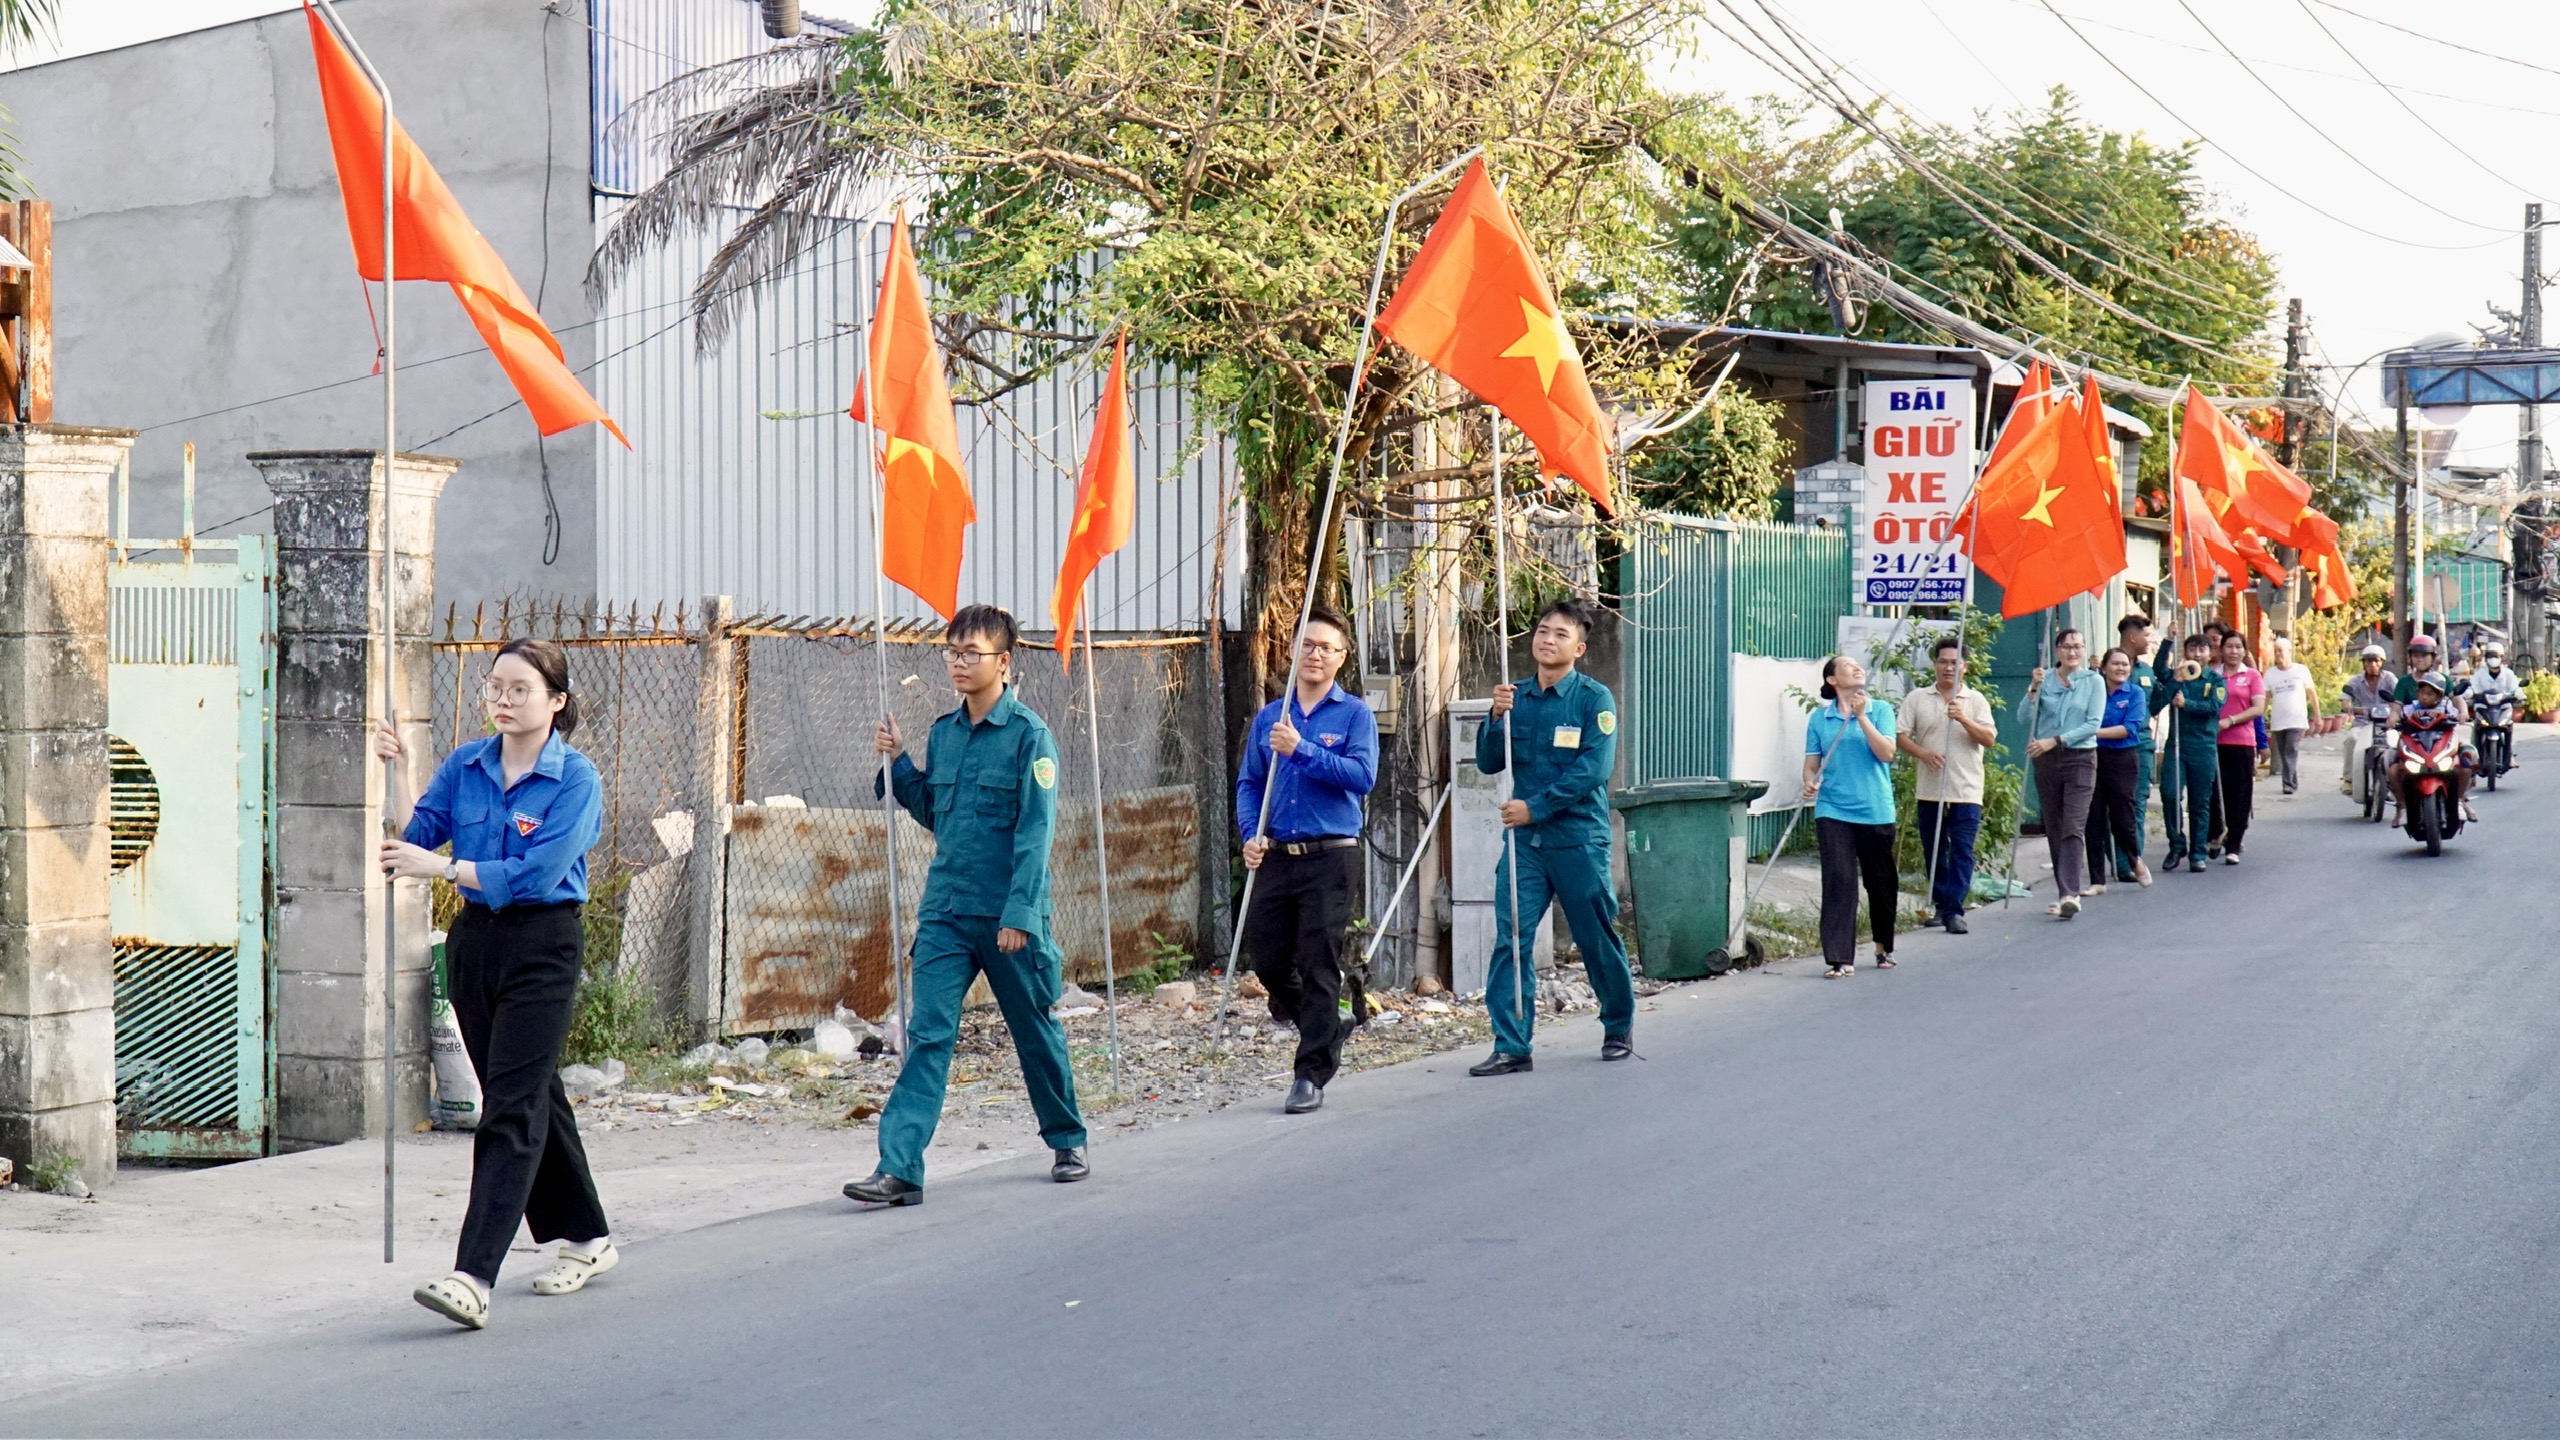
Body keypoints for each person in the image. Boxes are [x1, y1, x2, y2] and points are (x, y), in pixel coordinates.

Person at [376, 638, 610, 1331]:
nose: (503, 700)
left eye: (520, 690)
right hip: (477, 944)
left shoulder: (576, 781)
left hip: (544, 941)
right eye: (495, 688)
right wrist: (396, 772)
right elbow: (414, 837)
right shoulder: (466, 766)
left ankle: (474, 1274)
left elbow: (534, 874)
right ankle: (591, 1237)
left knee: (508, 1107)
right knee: (534, 1091)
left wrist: (443, 870)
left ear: (556, 702)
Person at [845, 606, 1089, 1207]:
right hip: (947, 913)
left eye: (971, 652)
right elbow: (936, 811)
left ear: (1003, 663)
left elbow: (1036, 833)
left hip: (1008, 916)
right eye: (952, 651)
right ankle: (898, 1168)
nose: (958, 661)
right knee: (928, 1034)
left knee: (1033, 1028)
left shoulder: (1031, 737)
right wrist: (899, 761)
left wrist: (1020, 916)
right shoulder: (945, 733)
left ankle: (1067, 1138)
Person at [1469, 599, 1632, 1074]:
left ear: (1578, 648)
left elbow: (1593, 770)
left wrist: (1533, 807)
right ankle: (1512, 1045)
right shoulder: (1514, 695)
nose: (1547, 639)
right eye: (1543, 631)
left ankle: (1618, 1024)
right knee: (1512, 938)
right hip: (1526, 847)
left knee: (1595, 936)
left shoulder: (1593, 700)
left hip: (1578, 839)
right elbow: (1488, 762)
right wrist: (1495, 718)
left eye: (1561, 634)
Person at [1233, 604, 1379, 1108]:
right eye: (1307, 645)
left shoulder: (1354, 714)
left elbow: (1362, 778)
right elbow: (1250, 783)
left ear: (1342, 657)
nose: (1315, 654)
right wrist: (1251, 833)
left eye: (1327, 648)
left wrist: (1303, 750)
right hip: (1277, 854)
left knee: (1319, 962)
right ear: (1293, 650)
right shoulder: (1271, 717)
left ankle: (1310, 1074)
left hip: (1330, 856)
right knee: (1269, 959)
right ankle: (1329, 1024)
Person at [1801, 655, 1898, 977]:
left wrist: (1862, 718)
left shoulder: (1880, 710)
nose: (1857, 668)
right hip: (1833, 808)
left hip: (1874, 808)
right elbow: (1812, 763)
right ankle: (1840, 957)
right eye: (1847, 666)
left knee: (1880, 883)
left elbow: (1886, 753)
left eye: (1859, 665)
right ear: (1832, 680)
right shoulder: (1820, 719)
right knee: (1839, 881)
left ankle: (1883, 946)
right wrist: (1809, 782)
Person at [1899, 635, 1997, 934]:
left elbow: (1989, 739)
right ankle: (1942, 905)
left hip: (1966, 789)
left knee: (1962, 849)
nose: (1948, 668)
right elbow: (1901, 735)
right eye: (1943, 662)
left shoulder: (1975, 700)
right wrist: (1923, 754)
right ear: (1934, 664)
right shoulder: (1917, 698)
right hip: (1930, 789)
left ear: (1964, 667)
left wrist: (1964, 719)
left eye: (1955, 663)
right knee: (1934, 848)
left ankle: (1955, 908)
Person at [2026, 629, 2105, 919]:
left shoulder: (2093, 681)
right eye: (2067, 647)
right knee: (2055, 825)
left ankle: (2071, 892)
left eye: (2078, 647)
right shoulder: (2043, 678)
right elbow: (2025, 717)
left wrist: (2056, 739)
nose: (2072, 652)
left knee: (2073, 824)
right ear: (2057, 650)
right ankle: (2063, 893)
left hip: (2081, 758)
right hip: (2046, 760)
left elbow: (2092, 724)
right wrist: (2033, 690)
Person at [2086, 647, 2152, 890]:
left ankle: (2134, 860)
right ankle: (2097, 880)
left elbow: (2129, 728)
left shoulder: (2135, 693)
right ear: (2104, 668)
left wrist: (2091, 732)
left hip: (2123, 758)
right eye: (2115, 664)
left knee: (2122, 817)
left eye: (2125, 664)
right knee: (2093, 818)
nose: (2121, 668)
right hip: (2093, 756)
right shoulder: (2094, 691)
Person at [2163, 632, 2226, 874]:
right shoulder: (2179, 676)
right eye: (2192, 650)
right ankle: (2176, 844)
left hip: (2203, 747)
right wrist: (2168, 640)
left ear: (2210, 655)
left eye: (2202, 650)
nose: (2196, 655)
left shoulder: (2216, 681)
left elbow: (2213, 708)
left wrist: (2187, 704)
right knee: (2169, 794)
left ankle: (2197, 852)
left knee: (2200, 803)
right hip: (2177, 745)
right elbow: (2160, 670)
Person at [2115, 613, 2163, 884]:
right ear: (2133, 637)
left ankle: (2134, 860)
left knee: (2138, 802)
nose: (2149, 640)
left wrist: (2174, 685)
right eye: (2146, 635)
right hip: (2112, 744)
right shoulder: (2109, 665)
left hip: (2142, 742)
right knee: (2117, 804)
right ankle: (2119, 861)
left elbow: (2154, 705)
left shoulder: (2146, 671)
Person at [2213, 632, 2267, 863]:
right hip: (2215, 742)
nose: (2233, 652)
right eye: (2229, 647)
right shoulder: (2213, 676)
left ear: (2245, 651)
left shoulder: (2252, 676)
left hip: (2242, 741)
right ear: (2221, 650)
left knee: (2241, 794)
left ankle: (2234, 843)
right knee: (2216, 793)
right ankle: (2216, 834)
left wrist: (2231, 720)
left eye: (2238, 647)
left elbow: (2258, 708)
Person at [2340, 644, 2398, 800]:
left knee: (2395, 746)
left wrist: (2395, 710)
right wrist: (2348, 707)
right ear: (2364, 663)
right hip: (2362, 723)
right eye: (2368, 661)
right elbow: (2345, 698)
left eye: (2376, 661)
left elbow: (2399, 698)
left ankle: (2394, 783)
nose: (2372, 665)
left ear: (2382, 662)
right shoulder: (2355, 681)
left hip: (2385, 725)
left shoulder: (2389, 679)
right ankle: (2349, 780)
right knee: (2351, 740)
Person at [2262, 635, 2316, 797]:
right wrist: (2261, 718)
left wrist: (2317, 716)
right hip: (2278, 721)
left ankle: (2287, 784)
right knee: (2284, 752)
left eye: (2281, 651)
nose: (2278, 654)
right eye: (2276, 651)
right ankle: (2293, 781)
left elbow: (2312, 693)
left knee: (2290, 749)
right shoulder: (2270, 674)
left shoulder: (2301, 670)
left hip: (2297, 720)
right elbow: (2266, 698)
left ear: (2290, 652)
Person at [2469, 641, 2522, 774]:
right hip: (2483, 707)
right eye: (2491, 655)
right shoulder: (2479, 674)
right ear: (2486, 657)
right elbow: (2472, 687)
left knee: (2509, 726)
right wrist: (2470, 693)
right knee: (2476, 727)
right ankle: (2475, 757)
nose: (2493, 659)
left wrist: (2519, 694)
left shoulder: (2508, 674)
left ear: (2501, 657)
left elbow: (2516, 688)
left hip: (2503, 707)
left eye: (2496, 656)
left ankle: (2509, 756)